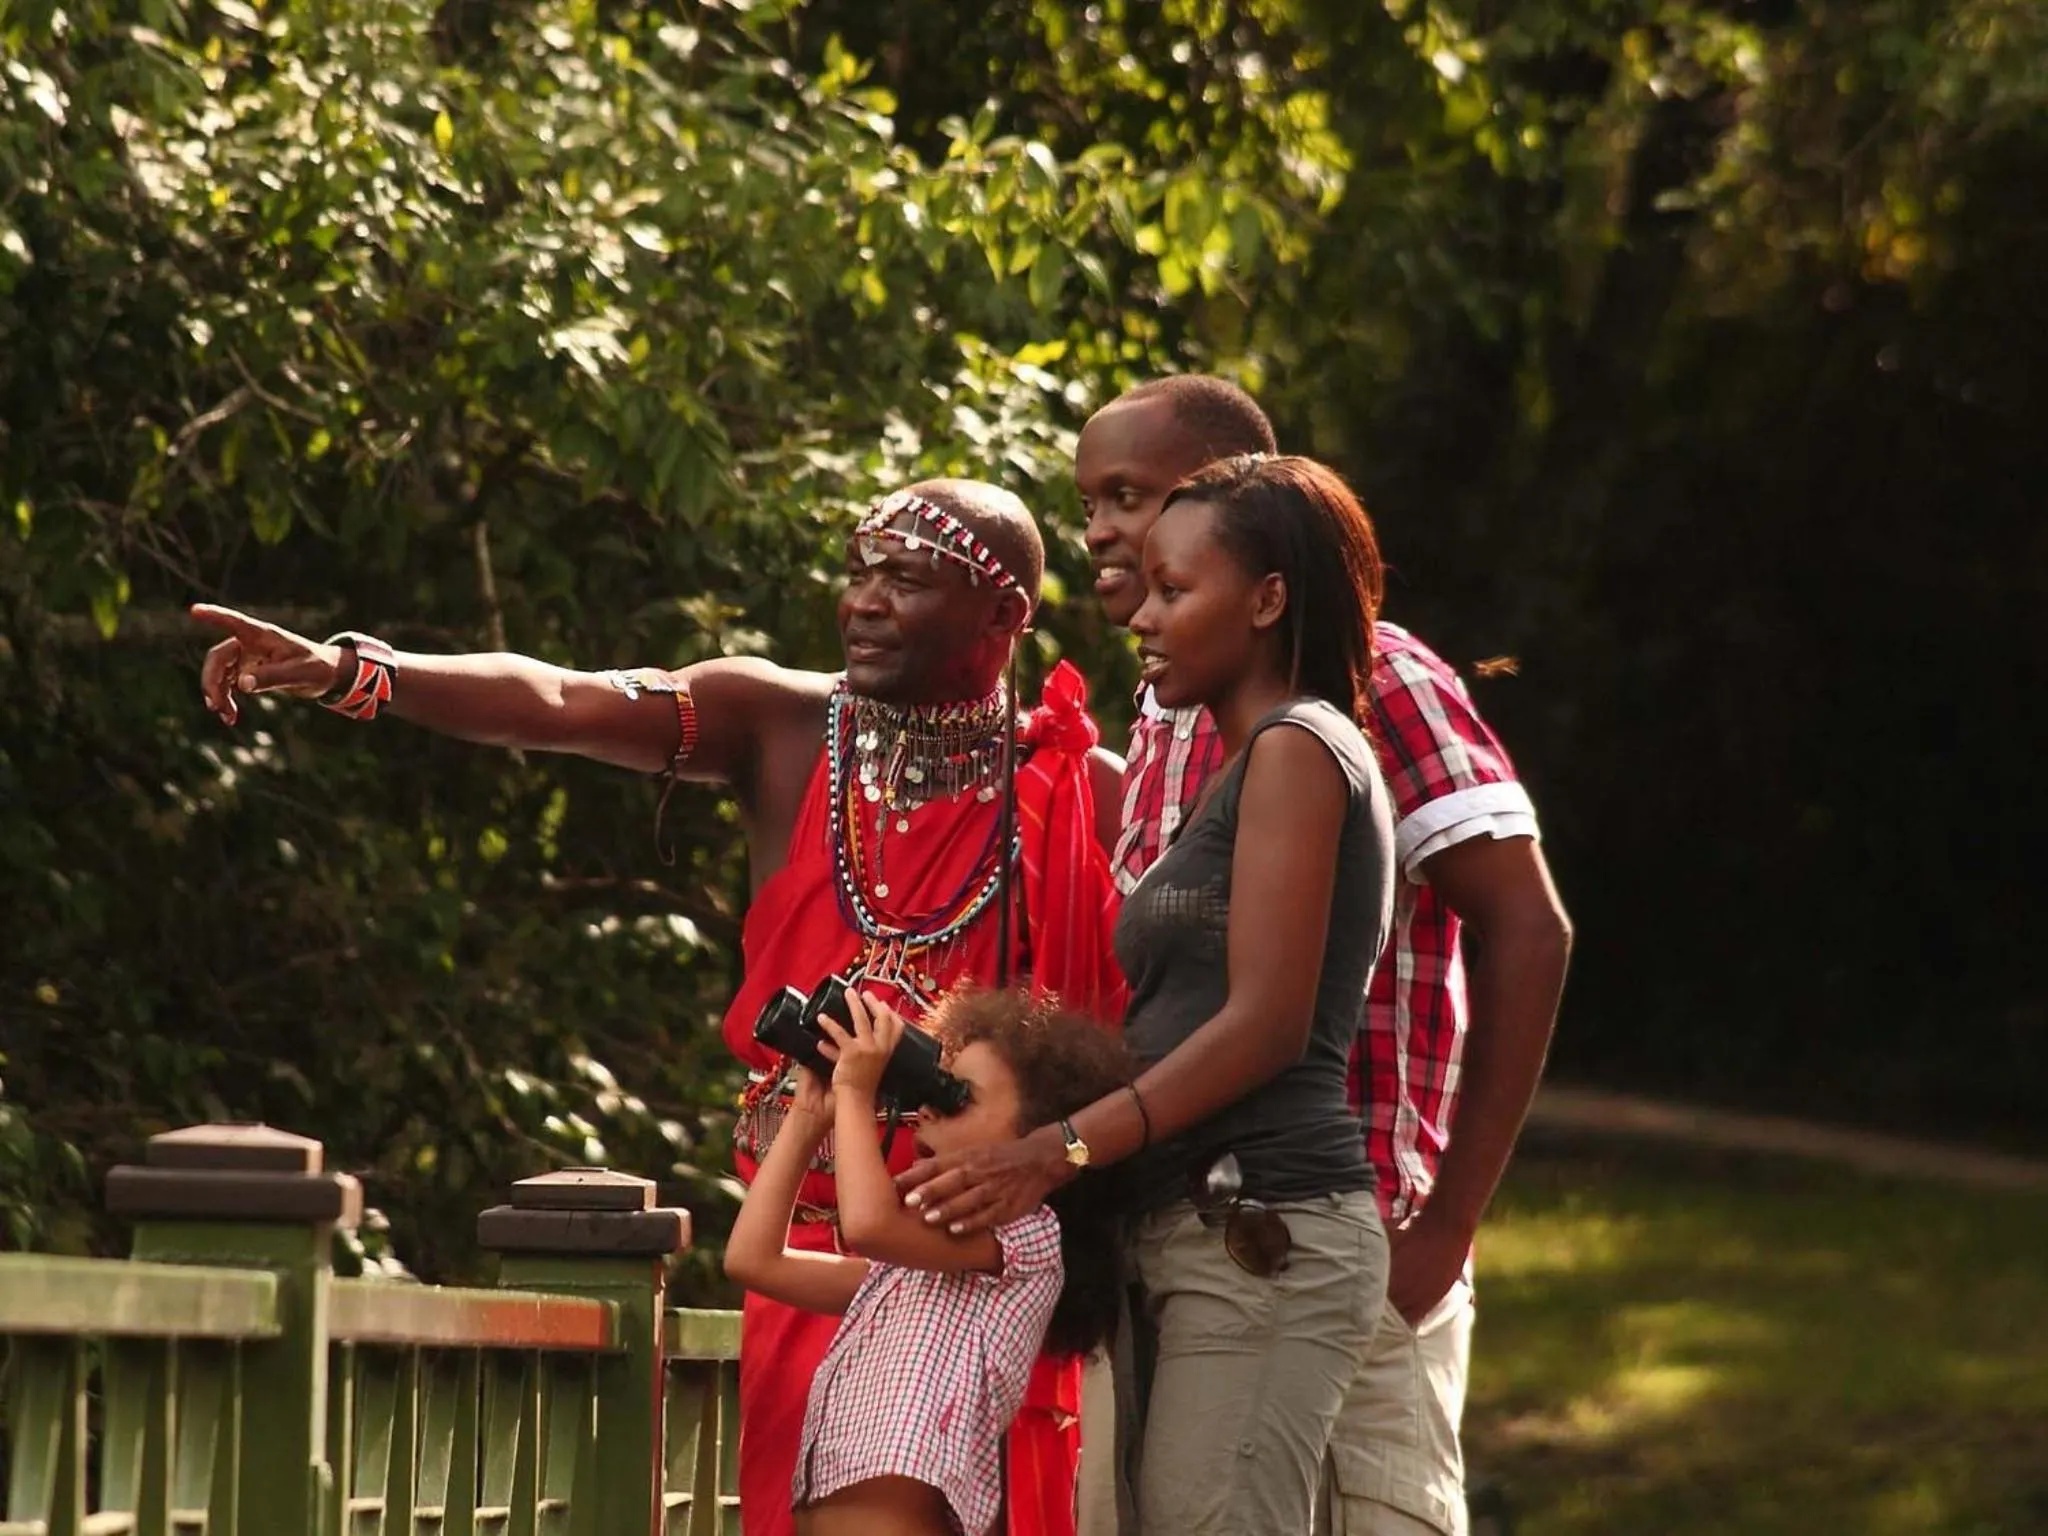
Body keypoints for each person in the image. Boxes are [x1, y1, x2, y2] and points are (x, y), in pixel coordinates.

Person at [190, 479, 1128, 1536]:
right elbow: (557, 702)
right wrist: (353, 671)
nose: (863, 602)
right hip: (810, 1268)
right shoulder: (779, 723)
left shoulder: (1084, 790)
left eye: (903, 581)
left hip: (982, 1281)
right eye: (858, 574)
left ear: (1005, 616)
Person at [1071, 375, 1574, 1535]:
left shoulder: (1366, 677)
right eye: (1086, 502)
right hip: (1189, 1237)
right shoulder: (1164, 708)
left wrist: (1444, 1224)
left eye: (1129, 496)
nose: (1097, 530)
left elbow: (1526, 926)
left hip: (1335, 1227)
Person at [926, 454, 1401, 1532]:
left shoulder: (1299, 748)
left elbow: (1267, 1025)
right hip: (1187, 1225)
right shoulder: (1237, 772)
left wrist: (1063, 1149)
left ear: (1268, 598)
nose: (1140, 615)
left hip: (1263, 1224)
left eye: (1175, 591)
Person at [726, 987, 1131, 1536]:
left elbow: (868, 1225)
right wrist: (806, 1117)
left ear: (1032, 1140)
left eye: (957, 1095)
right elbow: (754, 1261)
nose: (928, 1111)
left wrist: (854, 1090)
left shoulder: (1028, 1239)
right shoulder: (906, 1274)